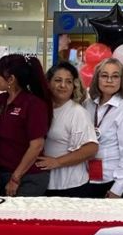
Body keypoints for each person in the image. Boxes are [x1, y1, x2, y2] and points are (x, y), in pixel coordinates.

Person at [0, 54, 53, 196]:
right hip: (2, 173)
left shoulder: (33, 105)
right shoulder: (1, 100)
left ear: (11, 79)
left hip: (27, 177)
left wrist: (16, 177)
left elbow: (36, 145)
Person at [38, 62, 99, 197]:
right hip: (45, 183)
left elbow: (91, 148)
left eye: (68, 82)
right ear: (48, 83)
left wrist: (57, 162)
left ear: (74, 86)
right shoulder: (42, 109)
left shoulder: (77, 112)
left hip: (71, 185)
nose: (63, 86)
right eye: (58, 80)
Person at [83, 58, 123, 198]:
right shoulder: (88, 105)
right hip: (87, 178)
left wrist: (117, 189)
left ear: (122, 80)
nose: (109, 80)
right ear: (97, 78)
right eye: (104, 76)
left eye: (115, 76)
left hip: (114, 181)